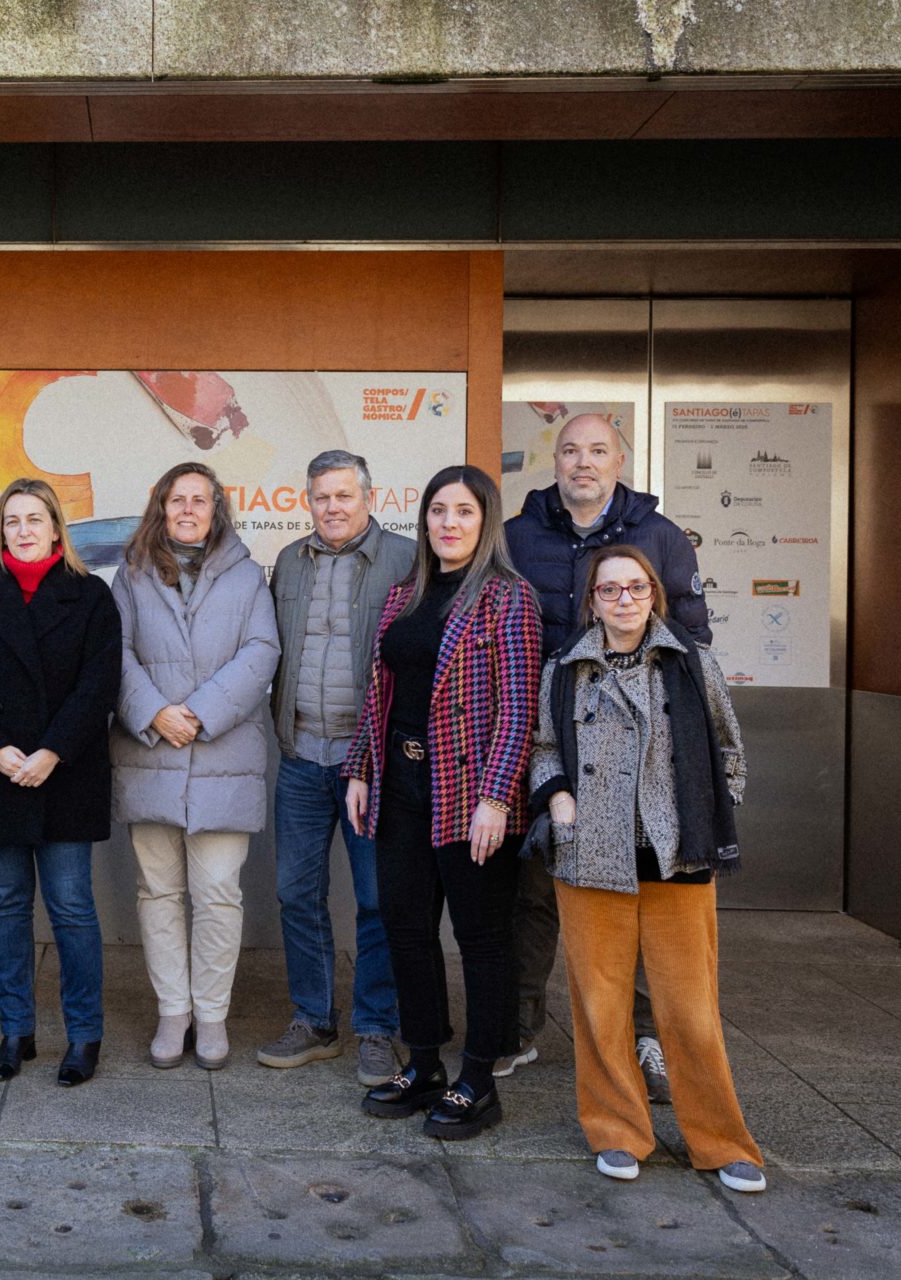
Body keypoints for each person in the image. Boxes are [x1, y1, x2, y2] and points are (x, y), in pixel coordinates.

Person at [529, 545, 764, 1192]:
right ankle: (617, 1132)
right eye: (610, 591)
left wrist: (705, 815)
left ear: (655, 595)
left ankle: (720, 1141)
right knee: (599, 1008)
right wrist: (559, 800)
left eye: (636, 588)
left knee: (689, 1011)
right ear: (592, 601)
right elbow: (543, 748)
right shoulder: (565, 669)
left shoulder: (691, 666)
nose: (624, 600)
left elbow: (729, 754)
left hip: (678, 858)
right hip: (591, 860)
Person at [504, 413, 709, 1099]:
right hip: (550, 738)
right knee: (532, 891)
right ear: (554, 460)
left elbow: (693, 644)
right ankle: (521, 1026)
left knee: (644, 890)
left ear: (619, 460)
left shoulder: (660, 537)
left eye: (597, 451)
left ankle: (644, 1035)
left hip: (641, 747)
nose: (582, 463)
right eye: (569, 451)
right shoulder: (517, 538)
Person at [345, 464, 540, 1139]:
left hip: (471, 795)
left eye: (462, 512)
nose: (447, 523)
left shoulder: (509, 598)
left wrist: (496, 798)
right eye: (437, 511)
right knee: (405, 927)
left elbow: (518, 710)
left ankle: (480, 1077)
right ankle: (424, 1061)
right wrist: (361, 769)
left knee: (483, 938)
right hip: (400, 786)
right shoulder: (405, 593)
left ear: (485, 522)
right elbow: (380, 694)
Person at [0, 478, 120, 1087]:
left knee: (71, 909)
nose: (22, 530)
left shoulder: (91, 596)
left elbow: (99, 685)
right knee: (8, 908)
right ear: (0, 533)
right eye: (11, 520)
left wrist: (51, 751)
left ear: (56, 529)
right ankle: (16, 1031)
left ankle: (84, 1034)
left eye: (34, 519)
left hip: (64, 774)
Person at [111, 461, 278, 1072]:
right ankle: (172, 1011)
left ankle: (210, 1015)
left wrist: (199, 713)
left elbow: (263, 652)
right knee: (158, 891)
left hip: (223, 755)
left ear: (216, 510)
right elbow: (116, 651)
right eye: (176, 500)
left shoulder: (246, 577)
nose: (187, 510)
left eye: (199, 501)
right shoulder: (129, 574)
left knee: (217, 895)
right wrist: (156, 712)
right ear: (160, 506)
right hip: (149, 755)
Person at [259, 451, 414, 1087]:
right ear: (308, 501)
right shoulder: (290, 563)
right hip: (300, 758)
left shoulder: (407, 560)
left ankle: (378, 1030)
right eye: (321, 497)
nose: (333, 508)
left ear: (369, 498)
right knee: (297, 893)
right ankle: (315, 1020)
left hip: (370, 764)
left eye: (344, 495)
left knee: (378, 900)